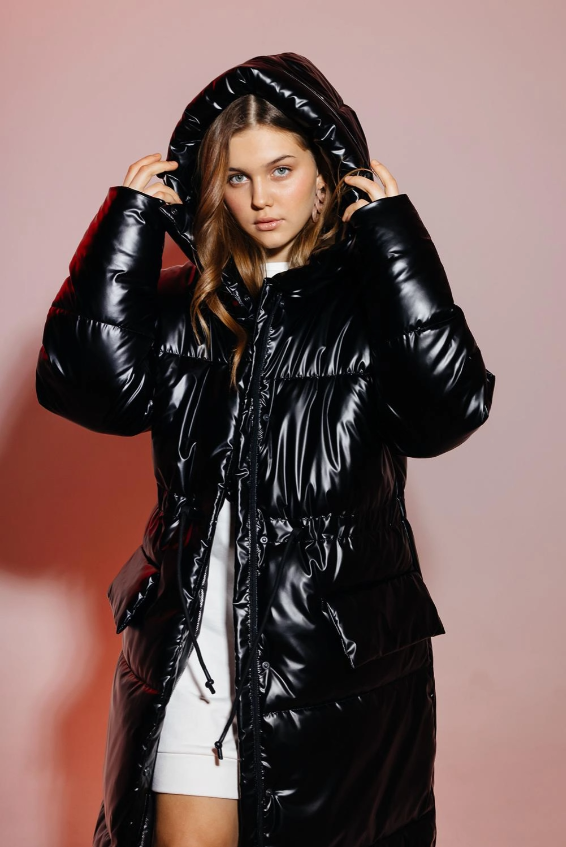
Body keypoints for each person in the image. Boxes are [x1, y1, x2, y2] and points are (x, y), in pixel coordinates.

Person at [35, 52, 496, 847]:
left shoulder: (371, 305)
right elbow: (89, 388)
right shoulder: (184, 304)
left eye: (281, 170)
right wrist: (128, 225)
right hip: (191, 656)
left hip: (327, 667)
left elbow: (445, 411)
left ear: (325, 177)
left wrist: (394, 241)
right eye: (237, 177)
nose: (259, 198)